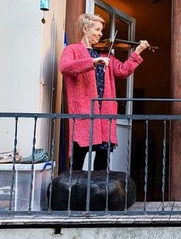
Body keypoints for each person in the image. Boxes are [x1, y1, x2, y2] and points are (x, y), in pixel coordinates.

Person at [59, 13, 150, 171]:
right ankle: (75, 195)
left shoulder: (105, 54)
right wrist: (92, 62)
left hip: (104, 115)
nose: (101, 34)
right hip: (84, 114)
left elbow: (122, 71)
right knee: (77, 165)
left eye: (102, 30)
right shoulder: (71, 50)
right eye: (97, 29)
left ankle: (98, 196)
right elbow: (65, 67)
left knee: (102, 166)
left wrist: (138, 52)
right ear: (85, 28)